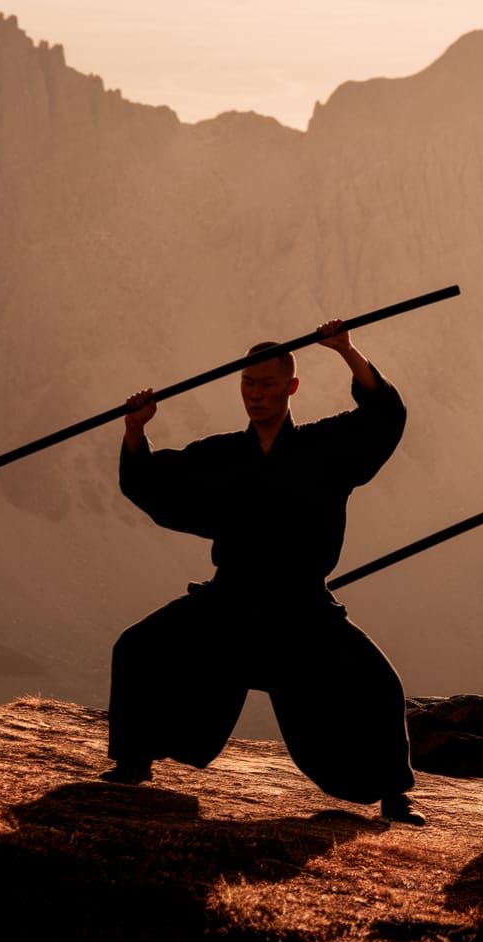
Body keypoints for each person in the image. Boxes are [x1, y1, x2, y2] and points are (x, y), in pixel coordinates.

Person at [103, 321, 424, 825]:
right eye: (248, 384)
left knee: (376, 683)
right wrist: (135, 430)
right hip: (230, 599)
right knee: (140, 647)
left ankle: (392, 794)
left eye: (268, 384)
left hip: (301, 607)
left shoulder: (324, 447)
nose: (256, 395)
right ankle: (133, 761)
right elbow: (154, 483)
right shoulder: (223, 455)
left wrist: (345, 350)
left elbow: (384, 416)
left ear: (292, 387)